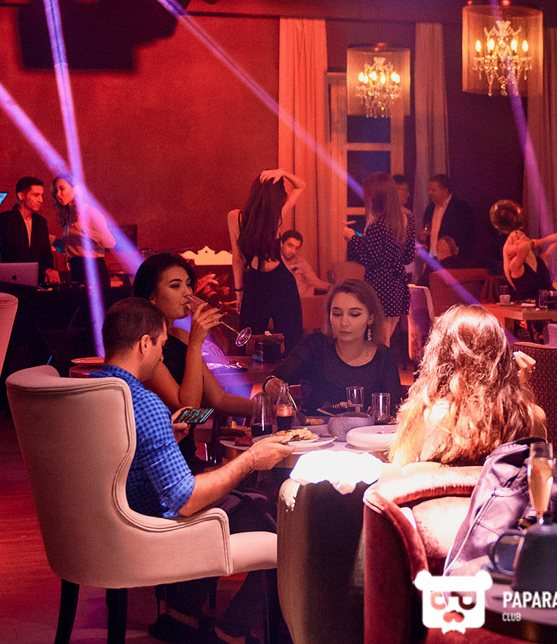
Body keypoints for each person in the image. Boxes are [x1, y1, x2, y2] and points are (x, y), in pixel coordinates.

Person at [89, 298, 292, 644]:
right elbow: (184, 500)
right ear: (144, 344)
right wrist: (251, 459)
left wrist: (163, 435)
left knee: (242, 501)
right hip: (148, 528)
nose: (162, 356)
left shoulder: (89, 389)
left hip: (104, 522)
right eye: (161, 346)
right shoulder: (145, 403)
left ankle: (179, 618)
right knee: (274, 520)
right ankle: (231, 633)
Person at [132, 254, 254, 468]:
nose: (187, 293)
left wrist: (268, 408)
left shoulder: (181, 336)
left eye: (188, 284)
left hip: (187, 457)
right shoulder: (146, 346)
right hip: (165, 463)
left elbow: (220, 399)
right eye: (175, 286)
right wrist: (196, 343)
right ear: (152, 297)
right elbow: (188, 410)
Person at [388, 305, 543, 467]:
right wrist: (515, 387)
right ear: (502, 355)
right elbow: (535, 475)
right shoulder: (532, 417)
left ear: (441, 356)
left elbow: (400, 472)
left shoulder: (428, 415)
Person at [265, 279, 401, 416]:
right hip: (313, 429)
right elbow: (274, 378)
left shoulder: (383, 357)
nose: (344, 322)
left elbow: (394, 412)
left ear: (370, 318)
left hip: (368, 431)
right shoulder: (314, 346)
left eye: (354, 314)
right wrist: (270, 384)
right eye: (337, 314)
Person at [228, 170, 306, 354]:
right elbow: (300, 185)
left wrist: (239, 292)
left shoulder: (235, 217)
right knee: (280, 340)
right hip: (277, 283)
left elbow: (238, 259)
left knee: (252, 341)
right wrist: (283, 173)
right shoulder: (276, 216)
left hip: (259, 283)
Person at [344, 172, 415, 345]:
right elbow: (408, 257)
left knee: (376, 340)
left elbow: (369, 258)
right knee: (383, 337)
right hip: (397, 285)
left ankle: (379, 364)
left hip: (378, 286)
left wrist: (351, 238)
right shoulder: (407, 221)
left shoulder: (378, 224)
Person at [51, 174, 116, 286]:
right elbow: (72, 249)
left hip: (93, 270)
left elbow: (111, 242)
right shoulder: (70, 217)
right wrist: (52, 240)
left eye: (62, 189)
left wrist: (86, 231)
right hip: (77, 270)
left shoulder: (90, 212)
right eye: (56, 191)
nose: (58, 194)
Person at [0, 176, 59, 284]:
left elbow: (46, 253)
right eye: (36, 195)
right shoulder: (6, 219)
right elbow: (12, 253)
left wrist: (49, 272)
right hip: (13, 280)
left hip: (38, 281)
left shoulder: (40, 222)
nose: (41, 200)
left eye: (42, 195)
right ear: (21, 196)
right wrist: (43, 270)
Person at [421, 174, 476, 260]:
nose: (430, 193)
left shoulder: (460, 208)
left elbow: (467, 236)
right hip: (432, 258)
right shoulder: (430, 209)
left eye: (433, 190)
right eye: (429, 190)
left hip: (452, 259)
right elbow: (427, 231)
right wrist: (423, 237)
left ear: (445, 191)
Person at [502, 228, 557, 302]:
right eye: (517, 238)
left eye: (522, 234)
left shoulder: (543, 260)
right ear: (512, 247)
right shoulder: (515, 265)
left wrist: (537, 242)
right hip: (526, 308)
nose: (522, 236)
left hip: (549, 306)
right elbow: (524, 247)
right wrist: (510, 248)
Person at [281, 230, 330, 296]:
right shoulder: (273, 262)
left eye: (296, 248)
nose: (293, 251)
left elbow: (314, 281)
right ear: (281, 243)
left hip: (305, 298)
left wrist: (330, 287)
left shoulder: (301, 262)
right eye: (290, 245)